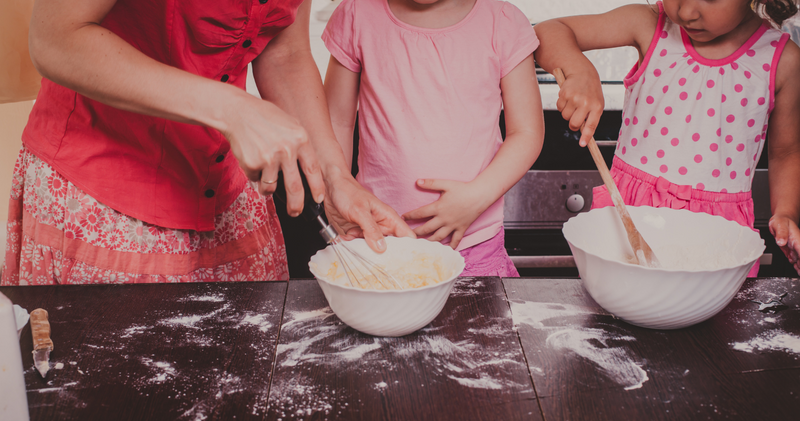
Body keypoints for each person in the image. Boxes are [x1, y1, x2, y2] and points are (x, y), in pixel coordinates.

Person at [1, 0, 413, 285]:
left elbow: (285, 53)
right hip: (100, 193)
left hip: (227, 196)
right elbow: (55, 38)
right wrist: (231, 108)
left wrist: (336, 179)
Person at [533, 0, 800, 276]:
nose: (685, 12)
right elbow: (548, 31)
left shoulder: (784, 61)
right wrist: (579, 70)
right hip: (630, 221)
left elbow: (786, 153)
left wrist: (786, 212)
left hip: (718, 238)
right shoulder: (648, 23)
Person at [322, 0, 544, 277]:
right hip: (378, 241)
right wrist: (338, 193)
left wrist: (475, 198)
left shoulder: (504, 21)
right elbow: (336, 122)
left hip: (474, 243)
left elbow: (527, 133)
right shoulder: (356, 14)